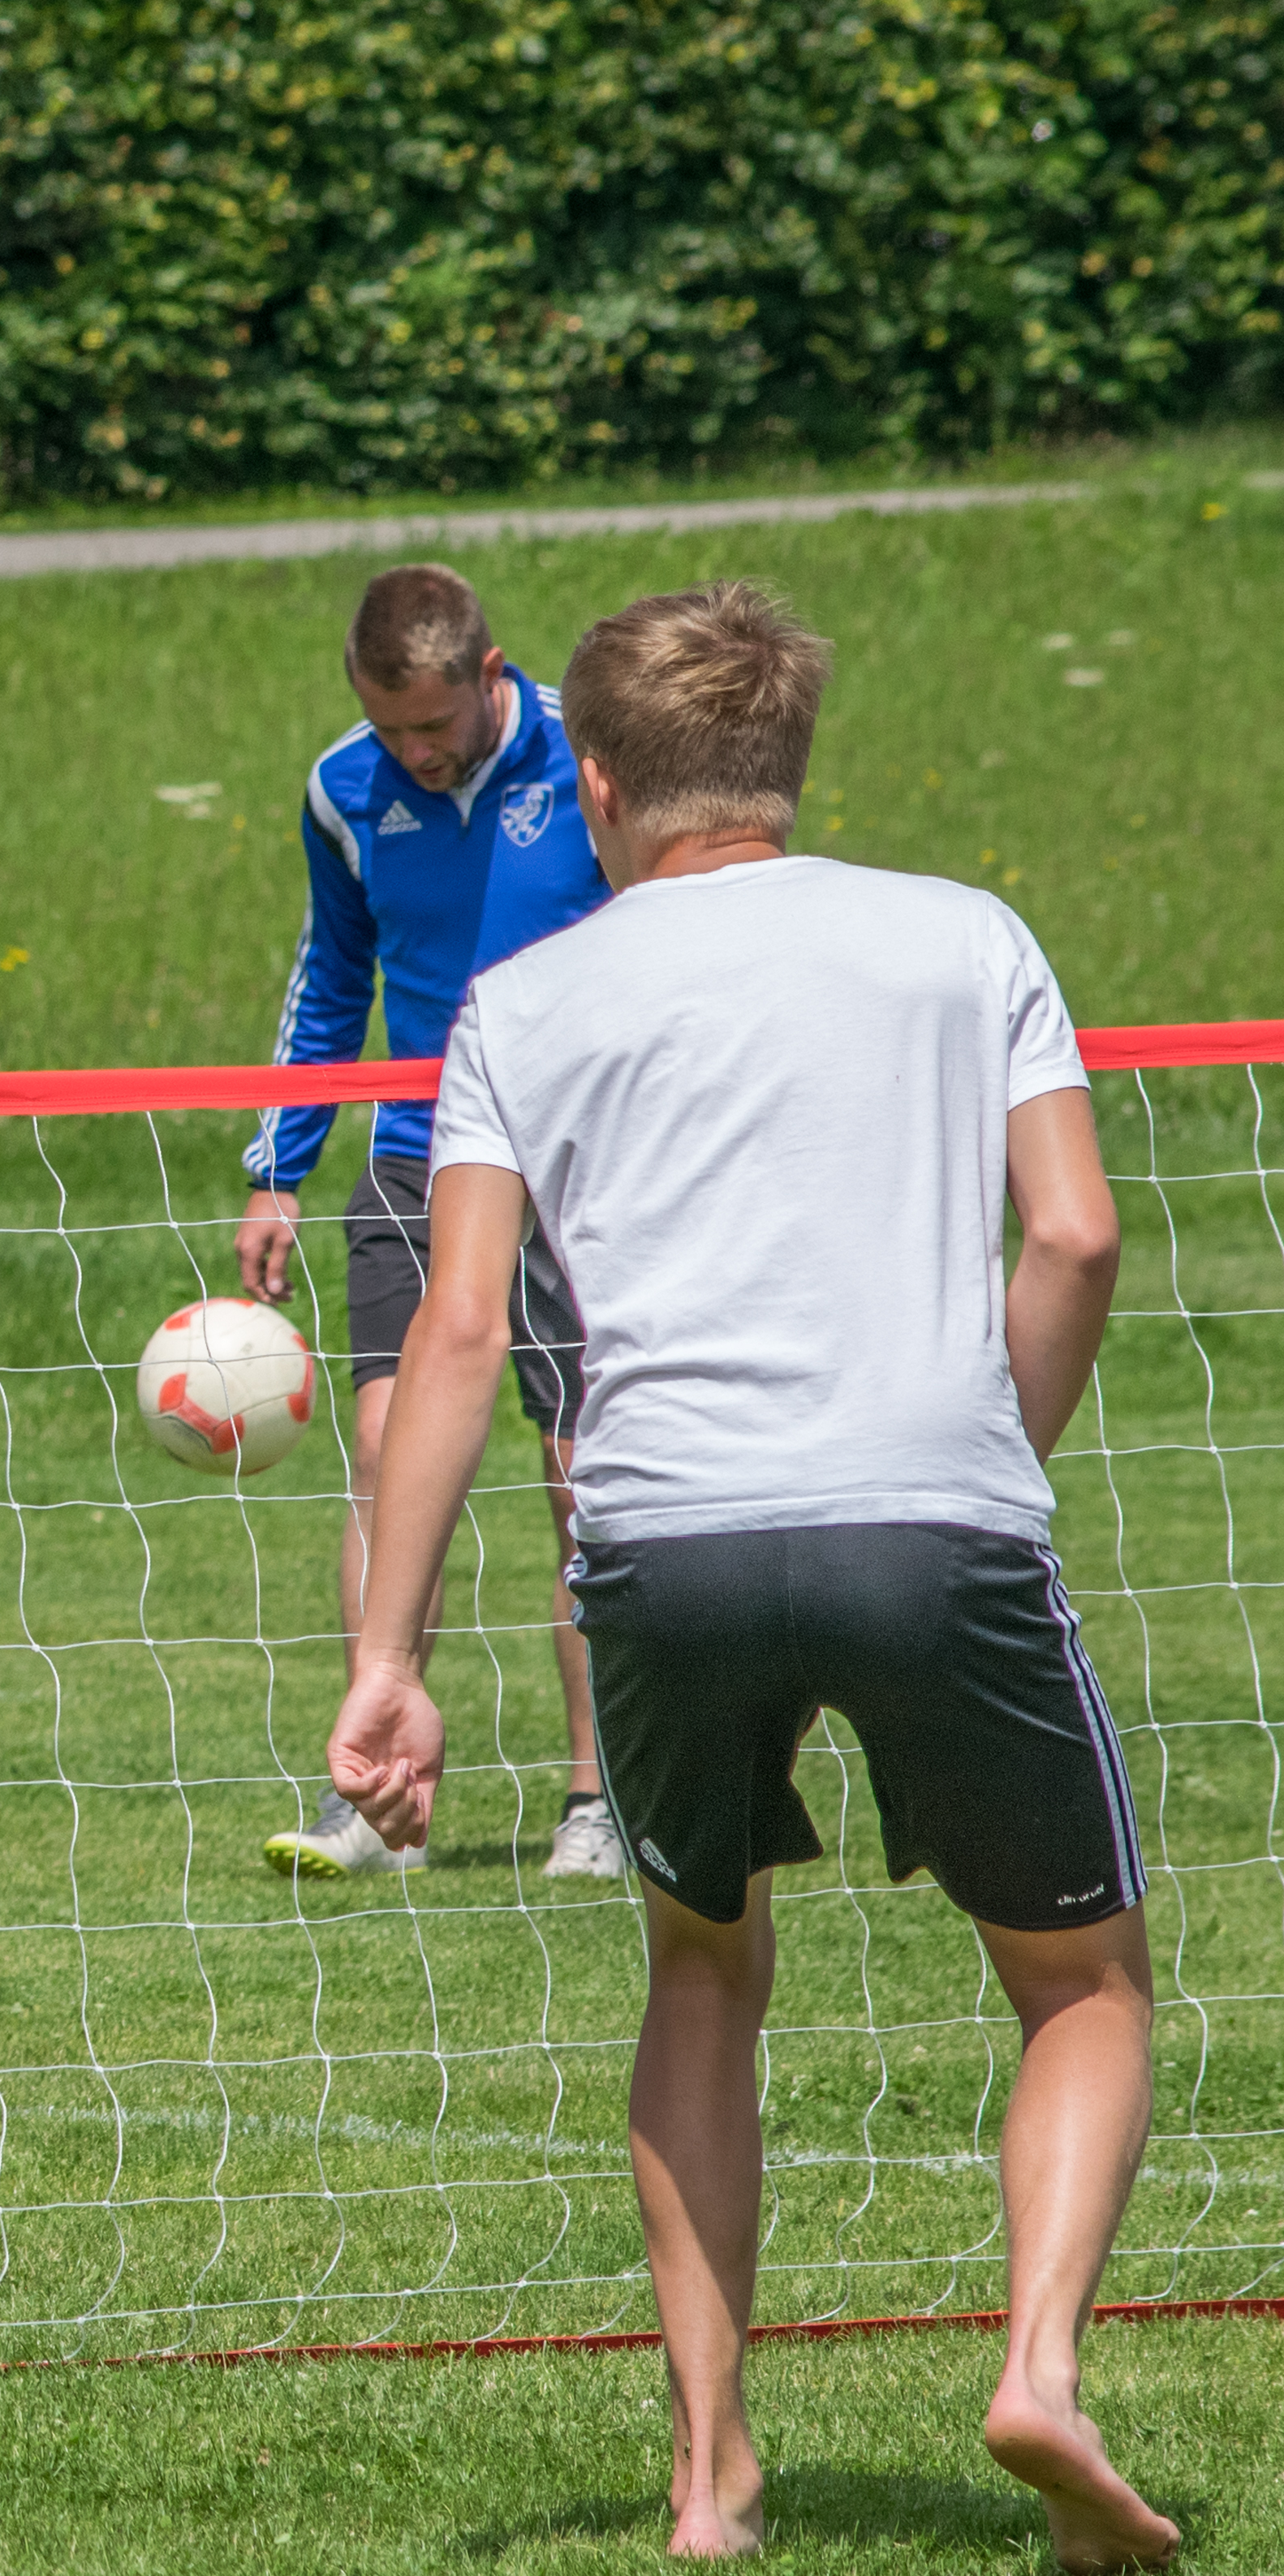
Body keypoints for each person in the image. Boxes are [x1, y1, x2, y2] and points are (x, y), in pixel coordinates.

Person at [330, 582, 1167, 2569]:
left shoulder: (527, 1001)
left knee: (703, 1966)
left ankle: (713, 2474)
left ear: (597, 782)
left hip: (661, 1532)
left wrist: (391, 1655)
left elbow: (456, 1338)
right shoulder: (968, 935)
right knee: (1079, 1978)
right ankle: (1037, 2363)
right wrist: (979, 1460)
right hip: (932, 1511)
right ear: (791, 769)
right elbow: (1077, 1241)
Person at [239, 563, 617, 1882]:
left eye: (437, 727)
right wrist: (278, 1169)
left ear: (492, 674)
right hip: (416, 1155)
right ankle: (376, 1794)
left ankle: (599, 1798)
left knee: (584, 1473)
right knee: (390, 1443)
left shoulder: (598, 755)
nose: (416, 751)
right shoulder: (343, 789)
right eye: (393, 727)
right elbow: (332, 974)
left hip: (581, 1165)